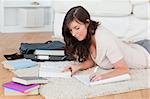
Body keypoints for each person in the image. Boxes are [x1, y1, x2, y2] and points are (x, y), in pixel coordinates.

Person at [62, 6, 150, 82]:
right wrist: (78, 67)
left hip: (146, 54)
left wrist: (103, 76)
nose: (73, 34)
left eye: (77, 28)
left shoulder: (104, 39)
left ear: (87, 22)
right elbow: (92, 61)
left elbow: (123, 69)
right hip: (137, 46)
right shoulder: (88, 35)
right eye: (71, 30)